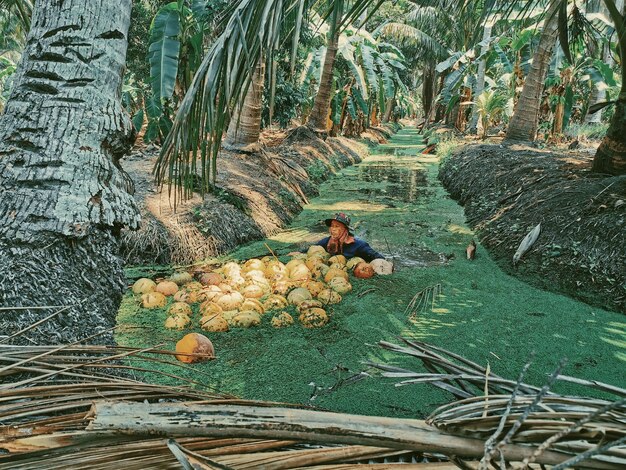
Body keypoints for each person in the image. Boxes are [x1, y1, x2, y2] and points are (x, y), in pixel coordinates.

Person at [291, 212, 384, 262]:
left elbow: (379, 258)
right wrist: (298, 253)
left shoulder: (359, 245)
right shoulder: (326, 242)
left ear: (345, 229)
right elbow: (312, 249)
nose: (332, 229)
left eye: (337, 226)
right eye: (331, 226)